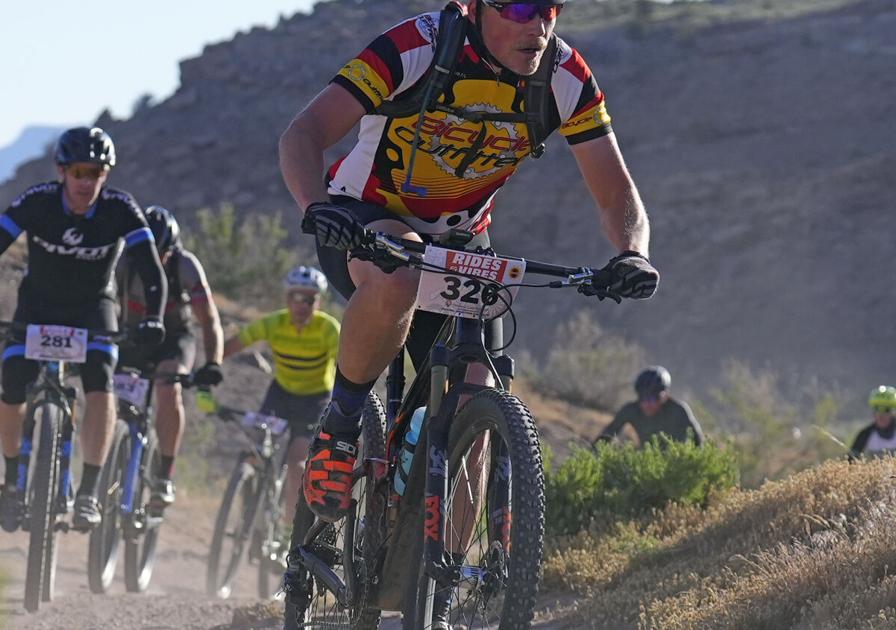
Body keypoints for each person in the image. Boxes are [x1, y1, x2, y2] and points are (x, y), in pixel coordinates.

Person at [278, 0, 660, 529]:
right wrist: (315, 208)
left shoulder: (565, 76)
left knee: (477, 407)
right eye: (521, 7)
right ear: (476, 7)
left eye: (550, 7)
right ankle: (340, 427)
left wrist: (632, 251)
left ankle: (439, 591)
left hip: (461, 242)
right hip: (367, 213)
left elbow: (616, 193)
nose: (538, 24)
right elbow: (303, 133)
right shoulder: (420, 46)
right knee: (399, 278)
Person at [0, 127, 167, 532]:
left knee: (101, 387)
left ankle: (87, 491)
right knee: (13, 385)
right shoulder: (37, 203)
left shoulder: (121, 209)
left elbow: (150, 268)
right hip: (38, 306)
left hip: (94, 309)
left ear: (106, 174)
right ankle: (12, 478)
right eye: (79, 172)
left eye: (96, 172)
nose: (87, 182)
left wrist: (153, 316)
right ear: (62, 171)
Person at [115, 205, 224, 509]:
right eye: (146, 253)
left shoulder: (186, 266)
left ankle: (164, 473)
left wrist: (213, 362)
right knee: (107, 391)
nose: (153, 262)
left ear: (172, 251)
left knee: (167, 387)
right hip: (134, 335)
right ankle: (111, 456)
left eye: (160, 255)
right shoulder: (124, 261)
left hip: (174, 339)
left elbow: (209, 318)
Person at [221, 266, 339, 525]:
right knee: (254, 448)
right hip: (281, 394)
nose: (301, 305)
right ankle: (250, 513)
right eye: (295, 297)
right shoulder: (274, 323)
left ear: (318, 301)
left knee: (297, 464)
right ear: (286, 299)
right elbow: (235, 344)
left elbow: (346, 368)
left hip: (315, 400)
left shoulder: (329, 329)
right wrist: (209, 367)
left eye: (309, 299)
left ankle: (288, 529)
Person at [597, 366, 704, 446]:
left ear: (664, 396)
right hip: (648, 464)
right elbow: (607, 435)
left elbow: (698, 440)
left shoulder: (679, 410)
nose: (647, 404)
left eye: (653, 398)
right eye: (643, 398)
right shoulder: (631, 410)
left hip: (677, 466)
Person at [849, 385, 896, 459]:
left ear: (895, 413)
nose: (881, 415)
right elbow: (850, 461)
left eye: (887, 410)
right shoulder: (865, 434)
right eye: (877, 409)